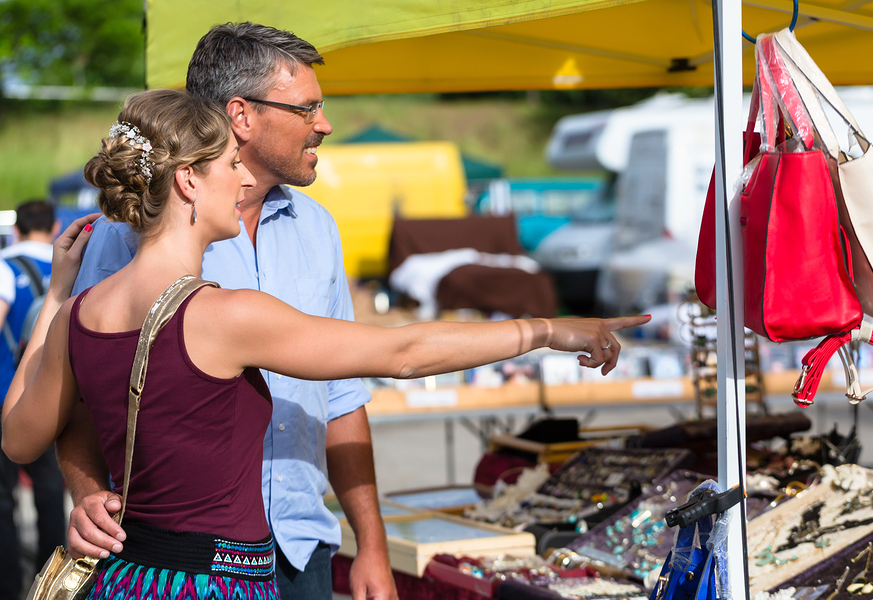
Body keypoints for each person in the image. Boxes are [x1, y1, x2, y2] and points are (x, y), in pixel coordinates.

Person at [1, 89, 648, 599]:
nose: (245, 181)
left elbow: (18, 438)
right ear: (188, 182)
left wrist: (56, 297)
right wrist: (543, 331)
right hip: (218, 584)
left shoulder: (79, 313)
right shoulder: (223, 315)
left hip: (127, 581)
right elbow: (402, 353)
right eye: (230, 164)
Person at [58, 22, 396, 600]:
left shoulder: (318, 227)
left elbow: (342, 398)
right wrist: (86, 491)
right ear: (242, 115)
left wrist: (372, 545)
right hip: (179, 563)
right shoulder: (128, 235)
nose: (325, 123)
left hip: (299, 548)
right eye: (308, 107)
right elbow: (78, 391)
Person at [0, 200, 66, 600]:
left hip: (8, 397)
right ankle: (54, 585)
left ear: (18, 229)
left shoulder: (4, 265)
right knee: (51, 491)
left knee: (3, 499)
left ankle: (9, 586)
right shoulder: (71, 265)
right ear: (55, 225)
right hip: (56, 398)